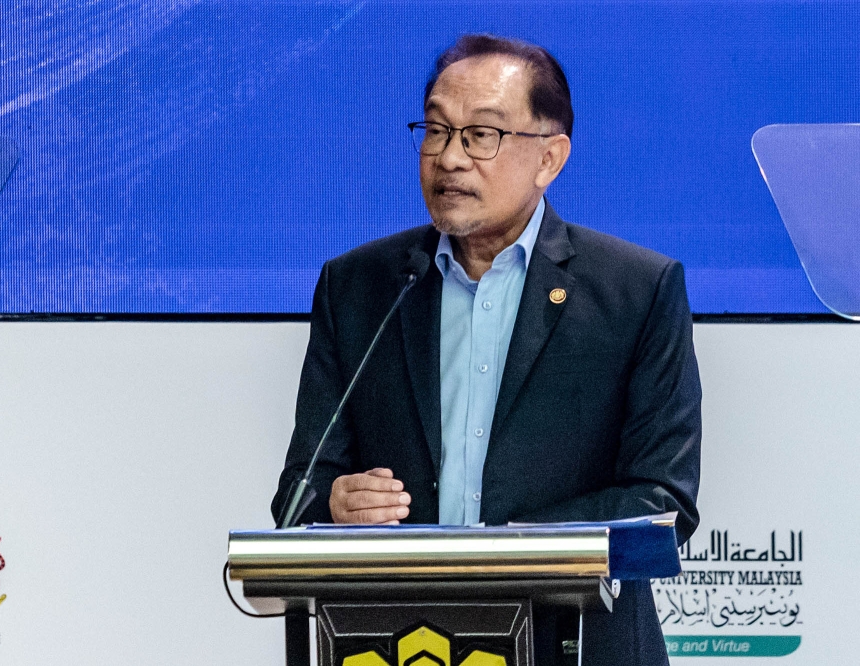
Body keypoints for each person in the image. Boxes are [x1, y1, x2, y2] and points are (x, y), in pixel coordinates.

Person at [271, 34, 701, 665]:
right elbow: (299, 489)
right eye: (436, 131)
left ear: (549, 158)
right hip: (397, 643)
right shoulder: (361, 286)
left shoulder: (635, 291)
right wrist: (335, 502)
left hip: (576, 645)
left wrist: (503, 547)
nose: (450, 158)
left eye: (481, 135)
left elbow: (662, 502)